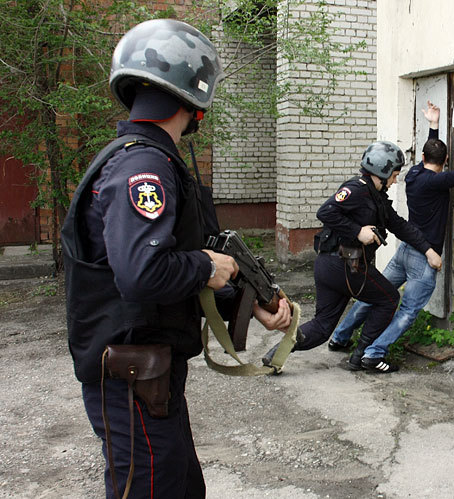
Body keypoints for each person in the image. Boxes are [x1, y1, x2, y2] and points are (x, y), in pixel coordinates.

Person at [61, 19, 291, 499]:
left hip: (151, 376)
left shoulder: (153, 161)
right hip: (132, 380)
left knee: (183, 488)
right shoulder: (143, 168)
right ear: (193, 99)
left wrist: (243, 300)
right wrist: (208, 267)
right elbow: (144, 274)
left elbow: (176, 265)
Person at [264, 139, 443, 371]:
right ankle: (363, 357)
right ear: (383, 170)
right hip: (345, 267)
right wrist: (358, 231)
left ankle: (275, 355)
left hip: (332, 268)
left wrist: (428, 251)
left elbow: (400, 225)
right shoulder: (357, 189)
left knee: (322, 327)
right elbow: (326, 211)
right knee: (389, 299)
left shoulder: (376, 197)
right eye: (394, 174)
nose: (395, 180)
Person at [327, 101, 454, 373]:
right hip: (422, 256)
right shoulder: (437, 182)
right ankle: (374, 352)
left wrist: (433, 126)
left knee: (372, 296)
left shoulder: (416, 175)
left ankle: (340, 336)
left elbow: (432, 156)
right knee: (407, 311)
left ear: (422, 160)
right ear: (443, 164)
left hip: (405, 251)